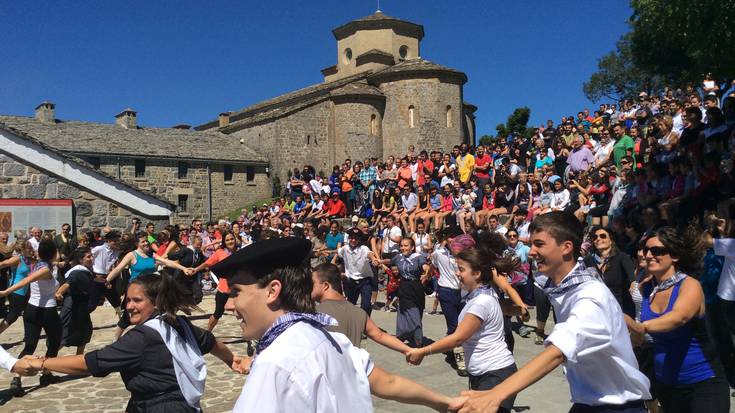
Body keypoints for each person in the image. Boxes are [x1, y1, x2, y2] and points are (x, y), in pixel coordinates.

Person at [211, 237, 460, 412]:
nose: (230, 305)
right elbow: (387, 382)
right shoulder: (326, 336)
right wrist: (446, 403)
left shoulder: (274, 363)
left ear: (272, 291)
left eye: (235, 292)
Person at [459, 211, 650, 413]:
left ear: (566, 247)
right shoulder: (570, 286)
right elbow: (611, 313)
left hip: (617, 407)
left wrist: (496, 394)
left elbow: (557, 352)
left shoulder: (589, 295)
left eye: (539, 244)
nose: (531, 252)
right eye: (531, 244)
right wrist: (636, 329)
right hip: (588, 402)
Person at [17, 273, 246, 412]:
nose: (129, 306)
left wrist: (42, 363)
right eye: (128, 300)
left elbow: (92, 363)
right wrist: (231, 360)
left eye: (137, 300)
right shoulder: (179, 323)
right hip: (180, 405)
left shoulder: (142, 337)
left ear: (156, 303)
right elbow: (211, 342)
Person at [407, 245, 521, 413]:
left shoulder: (481, 301)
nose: (457, 273)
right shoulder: (483, 294)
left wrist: (423, 351)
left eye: (461, 269)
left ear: (477, 273)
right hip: (484, 373)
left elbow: (457, 338)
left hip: (495, 374)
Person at [628, 226, 730, 412]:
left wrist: (642, 327)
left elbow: (678, 317)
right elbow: (640, 339)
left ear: (674, 256)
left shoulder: (690, 285)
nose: (648, 255)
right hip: (667, 385)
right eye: (646, 250)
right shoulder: (646, 288)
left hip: (704, 384)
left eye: (657, 250)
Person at [105, 232, 193, 340]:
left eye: (147, 241)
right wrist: (107, 280)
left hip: (150, 289)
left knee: (157, 309)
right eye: (143, 241)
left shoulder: (152, 255)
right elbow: (118, 269)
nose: (146, 243)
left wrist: (184, 268)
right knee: (128, 318)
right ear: (138, 244)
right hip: (136, 289)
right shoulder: (132, 255)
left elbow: (167, 262)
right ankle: (116, 339)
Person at [0, 240, 62, 394]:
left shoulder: (36, 263)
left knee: (32, 344)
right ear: (53, 253)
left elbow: (55, 259)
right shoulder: (44, 269)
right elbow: (26, 280)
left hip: (31, 310)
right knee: (53, 342)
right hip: (46, 311)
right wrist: (6, 292)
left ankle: (23, 377)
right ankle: (33, 376)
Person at [311, 262, 412, 354]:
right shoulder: (359, 313)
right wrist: (409, 350)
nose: (309, 287)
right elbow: (380, 335)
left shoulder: (314, 314)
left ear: (325, 285)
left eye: (312, 283)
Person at [191, 230, 239, 332]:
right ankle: (208, 332)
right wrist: (195, 270)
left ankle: (251, 338)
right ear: (224, 242)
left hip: (238, 289)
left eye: (232, 239)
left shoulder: (239, 252)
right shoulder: (220, 253)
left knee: (243, 311)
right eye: (227, 240)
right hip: (224, 289)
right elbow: (207, 263)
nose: (230, 241)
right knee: (218, 313)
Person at [583, 226, 636, 317]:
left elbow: (631, 273)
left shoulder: (621, 257)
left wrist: (633, 282)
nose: (598, 239)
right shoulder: (589, 260)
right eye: (595, 237)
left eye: (603, 236)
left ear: (611, 240)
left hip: (619, 309)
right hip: (597, 309)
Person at [55, 247, 96, 355]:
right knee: (64, 337)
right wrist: (59, 292)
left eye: (91, 255)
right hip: (72, 309)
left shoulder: (86, 271)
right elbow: (68, 283)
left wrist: (105, 281)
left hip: (81, 308)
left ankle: (78, 360)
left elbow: (94, 279)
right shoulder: (77, 272)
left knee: (84, 335)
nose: (92, 258)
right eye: (88, 256)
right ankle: (46, 364)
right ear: (81, 260)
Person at [392, 238, 431, 347]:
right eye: (401, 246)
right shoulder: (398, 257)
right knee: (409, 313)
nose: (403, 248)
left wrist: (426, 272)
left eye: (406, 246)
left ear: (412, 247)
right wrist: (379, 261)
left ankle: (406, 335)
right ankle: (418, 340)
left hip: (417, 288)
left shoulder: (418, 257)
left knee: (418, 313)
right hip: (404, 288)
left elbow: (425, 266)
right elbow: (389, 261)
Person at [332, 232, 381, 316]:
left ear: (359, 239)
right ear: (348, 239)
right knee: (350, 305)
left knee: (366, 305)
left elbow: (369, 254)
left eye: (356, 238)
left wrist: (373, 259)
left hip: (365, 281)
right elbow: (338, 251)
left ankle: (365, 322)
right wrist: (333, 259)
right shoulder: (345, 248)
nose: (353, 240)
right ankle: (352, 323)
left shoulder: (363, 248)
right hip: (352, 282)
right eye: (351, 238)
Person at [0, 240, 34, 336]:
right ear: (23, 250)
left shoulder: (30, 259)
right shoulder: (17, 259)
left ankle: (29, 335)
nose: (32, 250)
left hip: (26, 292)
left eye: (32, 248)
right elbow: (3, 264)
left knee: (28, 313)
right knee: (12, 316)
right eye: (30, 248)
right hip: (16, 292)